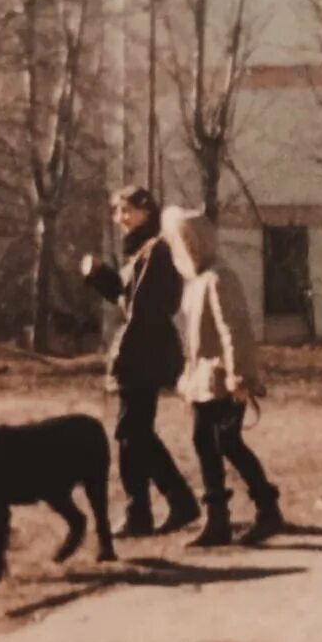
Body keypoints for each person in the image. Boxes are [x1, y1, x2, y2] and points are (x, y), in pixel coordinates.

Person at [157, 205, 285, 548]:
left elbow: (234, 330)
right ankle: (219, 520)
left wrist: (240, 377)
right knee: (206, 444)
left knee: (226, 443)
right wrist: (187, 381)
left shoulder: (219, 277)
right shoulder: (196, 281)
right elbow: (195, 340)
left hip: (222, 380)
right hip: (202, 380)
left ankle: (266, 509)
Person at [80, 187, 200, 538]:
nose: (121, 218)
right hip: (144, 348)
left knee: (131, 433)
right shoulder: (142, 252)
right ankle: (174, 501)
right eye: (117, 212)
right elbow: (129, 299)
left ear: (148, 211)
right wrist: (102, 278)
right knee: (136, 433)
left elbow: (143, 310)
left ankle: (143, 511)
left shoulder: (156, 249)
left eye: (128, 210)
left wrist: (123, 356)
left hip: (144, 350)